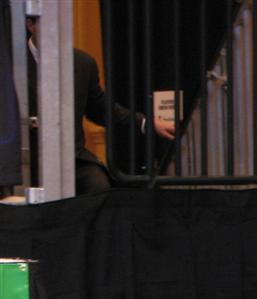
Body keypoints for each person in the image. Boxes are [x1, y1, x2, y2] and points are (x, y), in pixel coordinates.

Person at [25, 15, 174, 195]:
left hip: (71, 159)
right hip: (26, 160)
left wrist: (145, 122)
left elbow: (100, 108)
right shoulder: (11, 63)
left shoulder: (82, 63)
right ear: (31, 25)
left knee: (98, 186)